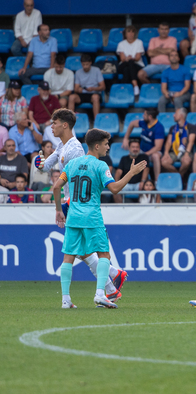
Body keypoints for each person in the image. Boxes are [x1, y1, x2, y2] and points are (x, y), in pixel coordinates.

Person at [35, 108, 126, 301]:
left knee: (80, 252)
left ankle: (109, 283)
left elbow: (80, 175)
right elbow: (46, 166)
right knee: (83, 251)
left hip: (75, 203)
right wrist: (39, 163)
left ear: (65, 125)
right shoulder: (61, 146)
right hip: (72, 202)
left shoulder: (75, 149)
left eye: (54, 123)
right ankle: (111, 280)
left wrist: (64, 207)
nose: (51, 126)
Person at [52, 128, 147, 309]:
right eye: (105, 144)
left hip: (72, 217)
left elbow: (56, 187)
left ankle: (66, 300)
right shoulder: (100, 165)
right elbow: (115, 189)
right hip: (92, 217)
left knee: (68, 258)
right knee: (104, 254)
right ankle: (100, 294)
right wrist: (131, 173)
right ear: (97, 146)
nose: (108, 147)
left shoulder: (71, 165)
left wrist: (58, 210)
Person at [122, 109, 165, 183]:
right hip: (142, 150)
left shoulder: (159, 127)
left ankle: (157, 181)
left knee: (155, 156)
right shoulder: (144, 123)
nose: (143, 116)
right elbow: (132, 124)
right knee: (131, 154)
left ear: (150, 117)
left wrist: (145, 154)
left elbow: (158, 147)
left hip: (153, 152)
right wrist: (126, 138)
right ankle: (129, 180)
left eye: (145, 115)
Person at [68, 54, 105, 119]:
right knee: (71, 97)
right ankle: (70, 120)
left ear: (90, 63)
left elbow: (103, 87)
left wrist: (93, 88)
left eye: (87, 64)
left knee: (95, 97)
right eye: (83, 64)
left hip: (94, 93)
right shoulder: (78, 72)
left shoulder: (97, 70)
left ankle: (96, 120)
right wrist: (79, 89)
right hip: (82, 93)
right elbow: (76, 88)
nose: (85, 66)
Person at [113, 139, 150, 204]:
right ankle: (120, 208)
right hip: (126, 184)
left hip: (139, 183)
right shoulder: (124, 158)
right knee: (115, 190)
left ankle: (143, 209)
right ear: (129, 148)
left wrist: (143, 182)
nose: (135, 149)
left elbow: (146, 169)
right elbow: (119, 171)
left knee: (147, 187)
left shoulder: (144, 157)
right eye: (133, 147)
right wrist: (117, 183)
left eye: (137, 147)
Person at [162, 108, 194, 178]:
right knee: (164, 162)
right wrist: (166, 153)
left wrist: (186, 154)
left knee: (186, 161)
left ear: (181, 115)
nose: (173, 115)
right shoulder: (173, 128)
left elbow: (191, 142)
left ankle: (180, 177)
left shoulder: (191, 127)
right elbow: (168, 141)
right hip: (174, 152)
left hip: (186, 151)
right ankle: (179, 176)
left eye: (175, 114)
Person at [116, 25, 145, 96]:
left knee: (127, 69)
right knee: (128, 64)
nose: (131, 34)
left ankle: (124, 91)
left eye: (132, 32)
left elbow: (138, 58)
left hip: (137, 65)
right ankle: (135, 85)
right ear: (125, 34)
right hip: (124, 64)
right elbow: (122, 59)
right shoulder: (121, 44)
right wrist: (127, 59)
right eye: (129, 32)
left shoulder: (139, 42)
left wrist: (132, 59)